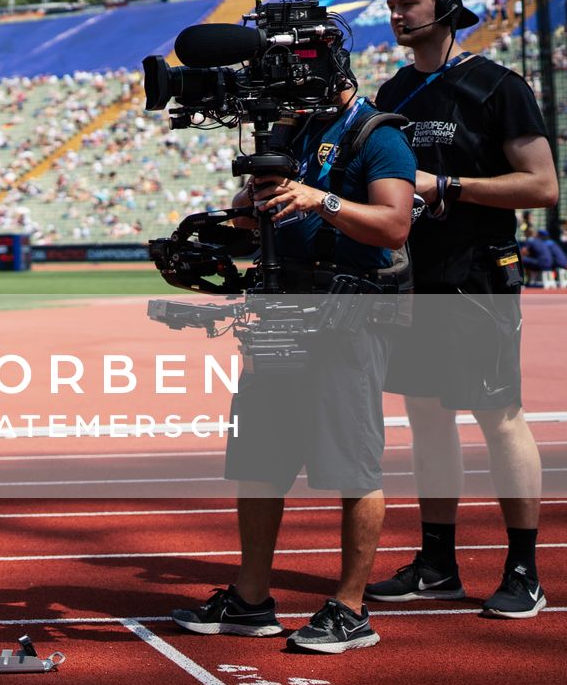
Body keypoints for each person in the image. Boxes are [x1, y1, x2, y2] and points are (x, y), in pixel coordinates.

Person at [171, 70, 416, 653]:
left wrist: (318, 198)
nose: (282, 96)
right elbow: (249, 222)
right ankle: (250, 599)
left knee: (352, 462)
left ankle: (351, 610)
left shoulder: (378, 134)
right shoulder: (289, 132)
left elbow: (395, 224)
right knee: (259, 458)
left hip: (348, 311)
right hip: (278, 308)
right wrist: (245, 205)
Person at [369, 0, 558, 619]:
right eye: (391, 4)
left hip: (479, 273)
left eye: (407, 3)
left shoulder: (498, 85)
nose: (396, 14)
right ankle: (437, 565)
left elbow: (542, 186)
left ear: (446, 7)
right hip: (413, 276)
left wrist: (449, 186)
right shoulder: (394, 90)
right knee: (425, 417)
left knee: (498, 415)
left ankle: (524, 571)